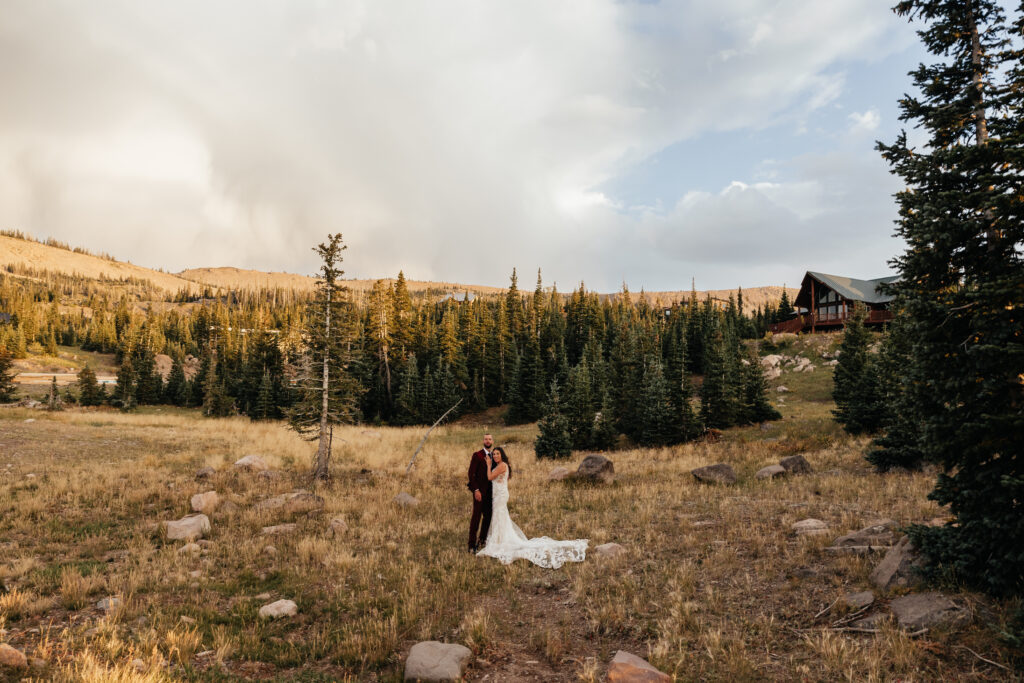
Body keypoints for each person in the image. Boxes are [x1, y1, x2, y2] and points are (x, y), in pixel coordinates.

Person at [476, 446, 588, 568]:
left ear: (502, 455)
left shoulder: (502, 465)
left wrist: (488, 464)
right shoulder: (499, 466)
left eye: (497, 454)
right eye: (494, 454)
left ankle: (501, 541)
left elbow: (490, 477)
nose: (495, 456)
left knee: (499, 516)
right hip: (498, 495)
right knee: (500, 517)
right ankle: (500, 539)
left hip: (501, 496)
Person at [466, 433, 495, 553]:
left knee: (488, 517)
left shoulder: (495, 456)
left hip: (490, 493)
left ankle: (482, 540)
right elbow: (471, 474)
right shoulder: (477, 455)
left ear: (492, 441)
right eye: (486, 439)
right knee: (476, 518)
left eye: (489, 439)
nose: (487, 441)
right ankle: (471, 544)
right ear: (483, 441)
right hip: (479, 493)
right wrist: (476, 490)